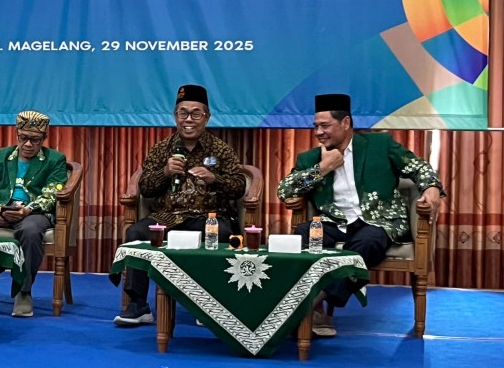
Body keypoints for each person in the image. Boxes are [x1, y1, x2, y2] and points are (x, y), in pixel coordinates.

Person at [277, 93, 443, 336]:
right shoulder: (311, 158)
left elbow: (419, 168)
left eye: (325, 126)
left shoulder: (380, 145)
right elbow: (285, 190)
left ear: (345, 123)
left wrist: (432, 189)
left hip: (378, 221)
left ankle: (310, 303)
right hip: (334, 222)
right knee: (301, 236)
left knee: (368, 242)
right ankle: (316, 311)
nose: (319, 132)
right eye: (316, 126)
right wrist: (323, 168)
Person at [113, 84, 246, 327]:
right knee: (135, 233)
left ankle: (210, 306)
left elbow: (238, 186)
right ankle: (138, 305)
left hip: (208, 217)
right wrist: (164, 172)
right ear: (175, 116)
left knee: (222, 233)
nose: (189, 120)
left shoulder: (220, 150)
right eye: (183, 113)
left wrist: (214, 178)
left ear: (207, 117)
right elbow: (146, 188)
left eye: (196, 113)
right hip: (168, 217)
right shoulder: (162, 148)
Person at [0, 110, 68, 318]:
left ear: (44, 138)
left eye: (35, 140)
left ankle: (23, 290)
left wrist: (29, 209)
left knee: (30, 231)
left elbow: (52, 193)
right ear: (16, 134)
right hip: (1, 209)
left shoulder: (55, 160)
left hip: (34, 212)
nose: (28, 144)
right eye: (24, 138)